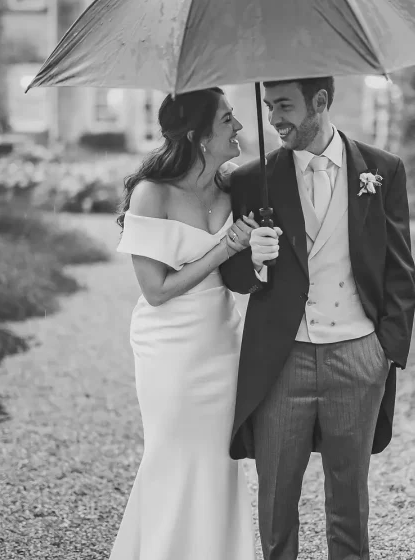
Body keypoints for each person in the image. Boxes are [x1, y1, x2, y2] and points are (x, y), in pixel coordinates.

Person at [220, 77, 415, 560]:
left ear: (322, 101)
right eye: (269, 106)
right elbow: (234, 276)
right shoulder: (251, 180)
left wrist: (384, 351)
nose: (273, 119)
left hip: (357, 357)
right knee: (275, 505)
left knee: (349, 505)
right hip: (281, 362)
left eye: (284, 106)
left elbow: (400, 269)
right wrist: (256, 259)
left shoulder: (383, 170)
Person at [112, 87, 260, 560]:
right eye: (228, 119)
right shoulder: (151, 194)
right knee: (173, 456)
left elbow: (242, 273)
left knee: (222, 460)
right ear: (198, 136)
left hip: (222, 340)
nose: (238, 127)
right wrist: (225, 247)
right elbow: (156, 291)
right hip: (170, 348)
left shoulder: (235, 185)